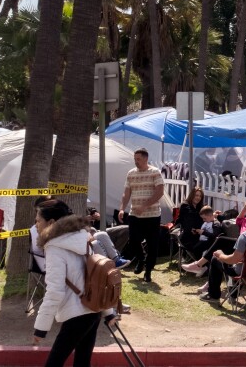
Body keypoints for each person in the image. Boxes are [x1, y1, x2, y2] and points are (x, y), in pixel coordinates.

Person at [32, 199, 116, 366]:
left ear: (51, 222)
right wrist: (108, 312)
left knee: (54, 363)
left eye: (38, 220)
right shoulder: (82, 238)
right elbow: (96, 278)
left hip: (76, 314)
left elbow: (54, 291)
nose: (35, 225)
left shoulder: (54, 248)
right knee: (82, 362)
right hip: (93, 309)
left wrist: (40, 329)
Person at [118, 148, 165, 283]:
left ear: (145, 159)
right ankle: (140, 259)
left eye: (138, 159)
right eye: (135, 159)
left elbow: (160, 192)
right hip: (135, 214)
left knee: (152, 244)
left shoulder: (154, 172)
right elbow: (126, 193)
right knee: (133, 240)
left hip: (152, 215)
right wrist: (122, 209)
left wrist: (145, 205)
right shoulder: (131, 173)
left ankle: (148, 271)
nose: (136, 161)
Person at [178, 187, 206, 255]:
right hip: (189, 237)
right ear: (192, 195)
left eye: (200, 196)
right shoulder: (185, 206)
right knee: (203, 245)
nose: (198, 198)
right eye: (196, 195)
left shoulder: (200, 207)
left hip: (200, 234)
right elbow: (191, 219)